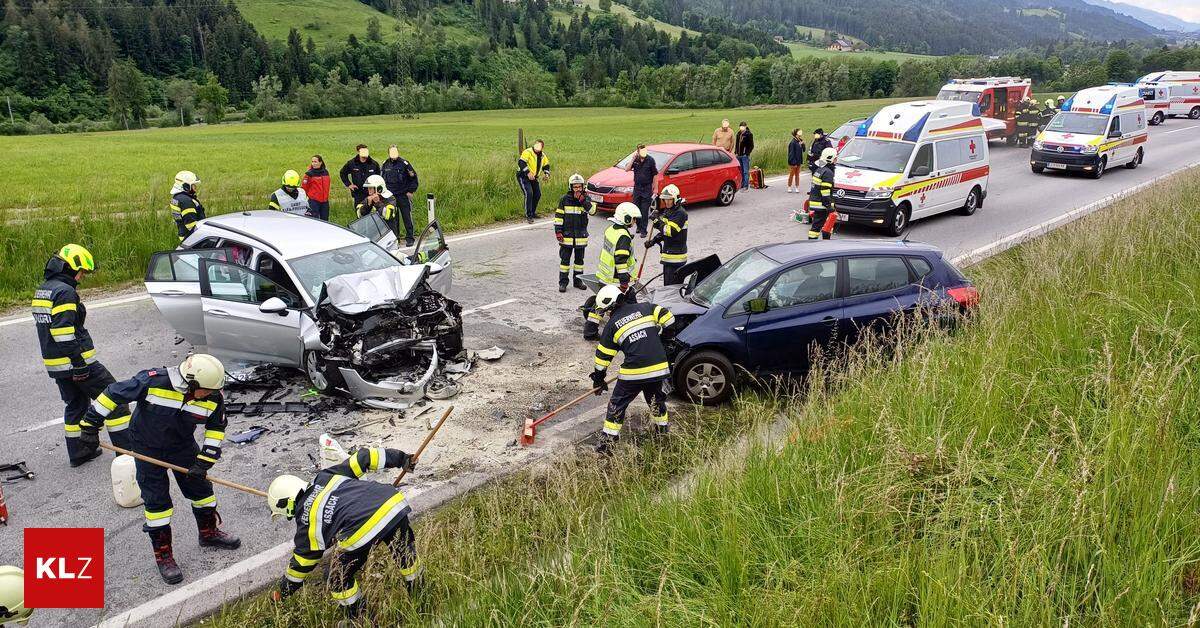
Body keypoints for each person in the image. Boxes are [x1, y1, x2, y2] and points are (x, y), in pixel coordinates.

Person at [79, 354, 239, 585]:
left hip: (182, 447)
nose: (213, 394)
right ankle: (164, 555)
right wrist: (90, 425)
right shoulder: (153, 381)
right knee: (157, 505)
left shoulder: (212, 397)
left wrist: (205, 460)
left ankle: (209, 534)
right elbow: (113, 393)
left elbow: (216, 428)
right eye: (207, 390)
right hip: (146, 448)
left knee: (203, 493)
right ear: (191, 384)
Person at [267, 447, 421, 619]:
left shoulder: (306, 520)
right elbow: (365, 457)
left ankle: (360, 619)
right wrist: (401, 459)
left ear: (287, 505)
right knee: (404, 553)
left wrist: (283, 592)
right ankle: (421, 596)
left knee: (336, 578)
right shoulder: (326, 476)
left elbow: (300, 566)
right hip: (392, 504)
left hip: (364, 525)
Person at [33, 244, 131, 467]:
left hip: (56, 365)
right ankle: (127, 457)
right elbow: (62, 332)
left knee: (76, 405)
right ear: (69, 268)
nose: (82, 277)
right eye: (82, 272)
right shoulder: (65, 292)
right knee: (115, 400)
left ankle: (80, 452)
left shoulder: (44, 289)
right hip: (77, 363)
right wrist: (79, 363)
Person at [589, 284, 675, 454]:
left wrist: (598, 380)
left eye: (605, 310)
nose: (606, 314)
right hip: (659, 369)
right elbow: (670, 319)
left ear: (611, 306)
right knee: (656, 400)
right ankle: (662, 434)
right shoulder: (646, 307)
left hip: (634, 373)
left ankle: (607, 444)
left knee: (617, 404)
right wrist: (663, 339)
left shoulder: (612, 325)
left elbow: (602, 359)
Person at [581, 202, 639, 340]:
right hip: (616, 279)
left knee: (600, 304)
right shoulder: (623, 236)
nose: (635, 221)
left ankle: (589, 332)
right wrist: (624, 282)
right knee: (631, 308)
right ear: (626, 218)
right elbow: (620, 261)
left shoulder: (611, 230)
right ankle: (630, 334)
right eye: (633, 218)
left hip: (604, 275)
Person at [555, 173, 595, 292]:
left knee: (579, 262)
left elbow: (592, 211)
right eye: (575, 187)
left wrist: (583, 201)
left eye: (579, 187)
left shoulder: (586, 199)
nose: (577, 189)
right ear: (570, 187)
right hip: (566, 237)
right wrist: (558, 232)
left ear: (583, 187)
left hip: (580, 237)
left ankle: (578, 282)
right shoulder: (564, 200)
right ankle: (563, 283)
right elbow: (559, 217)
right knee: (564, 262)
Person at [646, 184, 688, 285]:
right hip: (669, 256)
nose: (667, 202)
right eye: (665, 199)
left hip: (676, 258)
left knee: (671, 290)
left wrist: (657, 221)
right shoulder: (669, 211)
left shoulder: (680, 213)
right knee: (667, 287)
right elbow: (664, 232)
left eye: (669, 199)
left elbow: (670, 231)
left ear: (675, 199)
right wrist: (654, 241)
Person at [381, 145, 420, 246]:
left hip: (403, 194)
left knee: (407, 217)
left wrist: (411, 191)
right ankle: (395, 238)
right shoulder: (385, 164)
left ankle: (410, 238)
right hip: (391, 197)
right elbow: (382, 179)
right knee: (393, 218)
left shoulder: (404, 164)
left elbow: (413, 177)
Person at [807, 147, 838, 240]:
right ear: (831, 158)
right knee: (821, 226)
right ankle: (815, 244)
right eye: (835, 158)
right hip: (822, 204)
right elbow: (825, 191)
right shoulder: (828, 172)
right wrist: (829, 206)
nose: (836, 159)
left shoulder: (820, 170)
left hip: (816, 202)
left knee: (823, 225)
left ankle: (820, 242)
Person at [518, 139, 551, 223]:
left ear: (542, 148)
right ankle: (528, 215)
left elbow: (546, 165)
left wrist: (546, 174)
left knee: (537, 194)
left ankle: (532, 212)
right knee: (529, 193)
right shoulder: (527, 152)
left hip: (534, 178)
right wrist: (528, 173)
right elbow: (521, 162)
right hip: (523, 176)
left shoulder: (543, 155)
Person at [339, 144, 380, 210]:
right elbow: (343, 173)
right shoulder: (352, 163)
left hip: (371, 194)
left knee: (373, 214)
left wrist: (377, 190)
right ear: (358, 152)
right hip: (358, 193)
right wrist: (349, 185)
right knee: (360, 213)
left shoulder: (374, 164)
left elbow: (379, 177)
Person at [630, 144, 658, 237]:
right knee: (636, 209)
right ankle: (639, 226)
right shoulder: (636, 160)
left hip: (646, 188)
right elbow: (626, 169)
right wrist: (632, 159)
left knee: (644, 210)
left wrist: (655, 188)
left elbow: (655, 175)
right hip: (637, 188)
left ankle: (644, 231)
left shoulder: (650, 160)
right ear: (637, 152)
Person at [169, 170, 204, 242]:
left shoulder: (177, 197)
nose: (195, 188)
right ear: (186, 186)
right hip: (192, 238)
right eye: (193, 185)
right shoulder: (186, 202)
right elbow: (191, 225)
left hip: (184, 235)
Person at [301, 155, 331, 221]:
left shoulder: (326, 172)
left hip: (325, 202)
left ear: (321, 162)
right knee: (314, 221)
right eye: (312, 162)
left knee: (325, 221)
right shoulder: (309, 174)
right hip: (314, 202)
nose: (313, 163)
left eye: (315, 162)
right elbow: (303, 189)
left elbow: (327, 186)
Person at [734, 122, 754, 189]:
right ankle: (741, 184)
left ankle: (746, 185)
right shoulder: (738, 134)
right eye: (740, 126)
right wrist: (736, 152)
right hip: (738, 155)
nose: (741, 127)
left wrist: (747, 153)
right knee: (741, 171)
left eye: (743, 126)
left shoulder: (749, 134)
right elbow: (737, 144)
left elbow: (751, 146)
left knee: (745, 171)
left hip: (745, 156)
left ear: (745, 126)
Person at [787, 129, 806, 193]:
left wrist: (803, 144)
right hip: (793, 162)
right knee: (791, 174)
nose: (800, 134)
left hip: (799, 161)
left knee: (797, 174)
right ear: (796, 134)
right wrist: (793, 162)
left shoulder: (800, 141)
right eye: (799, 133)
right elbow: (791, 153)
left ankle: (797, 187)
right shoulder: (792, 142)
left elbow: (803, 150)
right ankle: (789, 186)